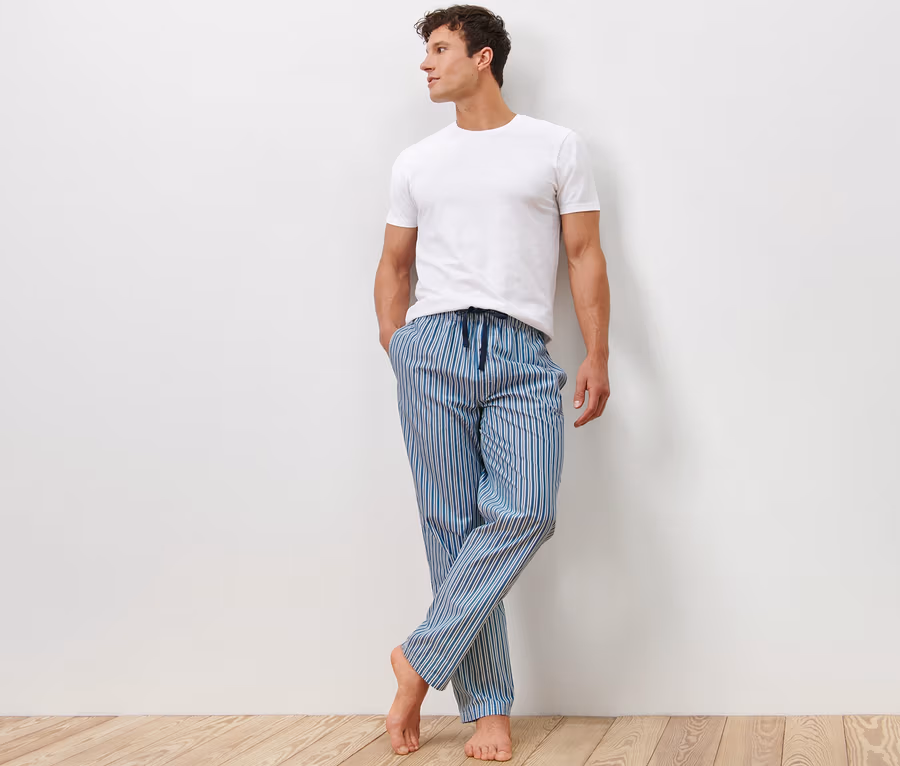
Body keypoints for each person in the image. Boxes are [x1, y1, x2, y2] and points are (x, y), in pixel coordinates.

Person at [373, 5, 611, 761]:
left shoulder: (555, 146)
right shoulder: (416, 161)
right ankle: (489, 712)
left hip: (521, 351)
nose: (426, 63)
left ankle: (419, 656)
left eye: (440, 48)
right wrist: (399, 346)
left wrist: (598, 353)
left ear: (483, 57)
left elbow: (584, 256)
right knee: (450, 528)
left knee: (527, 511)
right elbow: (394, 264)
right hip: (433, 345)